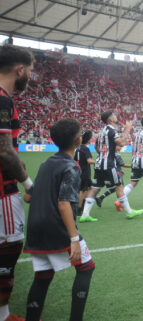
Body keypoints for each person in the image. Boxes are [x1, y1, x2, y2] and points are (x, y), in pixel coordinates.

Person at [23, 119, 95, 321]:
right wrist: (74, 240)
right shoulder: (71, 167)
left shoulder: (46, 163)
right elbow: (64, 204)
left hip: (35, 228)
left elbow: (29, 196)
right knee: (86, 267)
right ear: (78, 140)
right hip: (57, 228)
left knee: (43, 276)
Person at [0, 44, 35, 321]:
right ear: (19, 69)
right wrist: (28, 183)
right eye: (30, 71)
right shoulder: (2, 98)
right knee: (9, 247)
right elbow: (3, 150)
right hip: (2, 190)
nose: (29, 77)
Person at [79, 110, 143, 222]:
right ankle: (129, 212)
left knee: (95, 189)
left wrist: (103, 154)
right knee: (119, 186)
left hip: (99, 163)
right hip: (109, 164)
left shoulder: (101, 131)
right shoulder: (111, 130)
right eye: (113, 115)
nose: (115, 116)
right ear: (110, 119)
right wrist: (127, 129)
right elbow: (121, 143)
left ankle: (85, 215)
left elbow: (96, 147)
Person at [74, 130, 95, 213]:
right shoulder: (85, 149)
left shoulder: (78, 148)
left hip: (79, 171)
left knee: (89, 188)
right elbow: (89, 161)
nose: (92, 139)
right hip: (85, 171)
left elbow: (75, 160)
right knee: (83, 190)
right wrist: (99, 162)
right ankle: (79, 208)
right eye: (91, 137)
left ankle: (83, 204)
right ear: (88, 139)